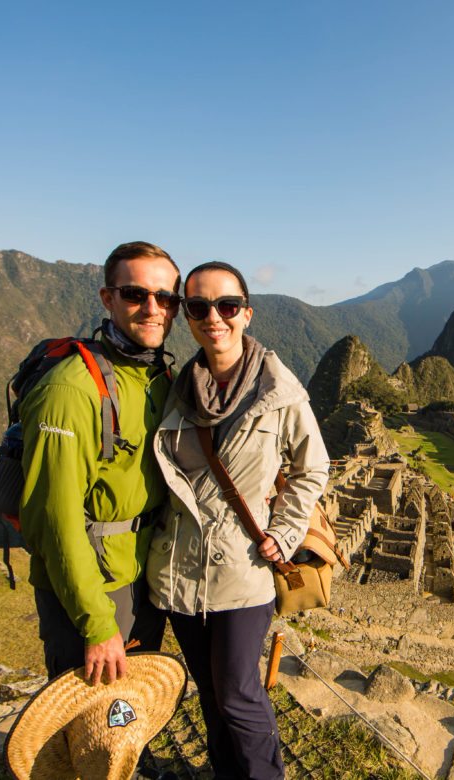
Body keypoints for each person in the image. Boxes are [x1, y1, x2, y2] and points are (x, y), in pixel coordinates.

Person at [147, 260, 329, 779]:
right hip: (180, 571)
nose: (214, 317)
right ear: (187, 315)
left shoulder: (280, 393)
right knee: (210, 692)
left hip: (243, 572)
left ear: (246, 313)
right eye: (199, 307)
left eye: (227, 306)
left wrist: (286, 530)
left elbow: (312, 466)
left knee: (238, 693)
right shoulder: (175, 392)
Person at [19, 241, 180, 685]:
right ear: (107, 298)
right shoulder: (71, 390)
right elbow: (56, 517)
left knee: (129, 713)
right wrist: (96, 621)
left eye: (165, 297)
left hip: (142, 575)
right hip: (94, 585)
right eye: (135, 294)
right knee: (87, 717)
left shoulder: (157, 377)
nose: (153, 308)